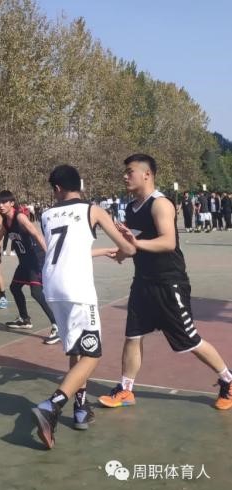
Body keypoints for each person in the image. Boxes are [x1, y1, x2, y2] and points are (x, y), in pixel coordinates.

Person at [98, 154, 232, 411]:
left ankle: (228, 379)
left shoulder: (160, 204)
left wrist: (136, 244)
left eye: (130, 171)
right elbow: (135, 245)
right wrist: (123, 252)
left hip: (169, 283)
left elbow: (168, 242)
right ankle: (126, 389)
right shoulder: (131, 208)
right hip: (143, 282)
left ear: (147, 174)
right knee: (133, 336)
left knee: (189, 340)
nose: (125, 176)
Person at [31, 165, 136, 449]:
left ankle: (80, 408)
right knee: (92, 353)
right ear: (80, 184)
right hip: (77, 288)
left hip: (52, 287)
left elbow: (68, 249)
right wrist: (124, 248)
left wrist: (103, 252)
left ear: (57, 189)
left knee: (77, 350)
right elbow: (129, 249)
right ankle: (52, 405)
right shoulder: (93, 210)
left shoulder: (46, 215)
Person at [0, 190, 60, 344]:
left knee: (36, 292)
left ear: (12, 203)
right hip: (24, 261)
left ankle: (57, 325)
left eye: (4, 202)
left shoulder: (19, 217)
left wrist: (49, 255)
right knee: (15, 288)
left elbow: (36, 234)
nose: (1, 206)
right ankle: (24, 319)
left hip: (36, 259)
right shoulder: (6, 221)